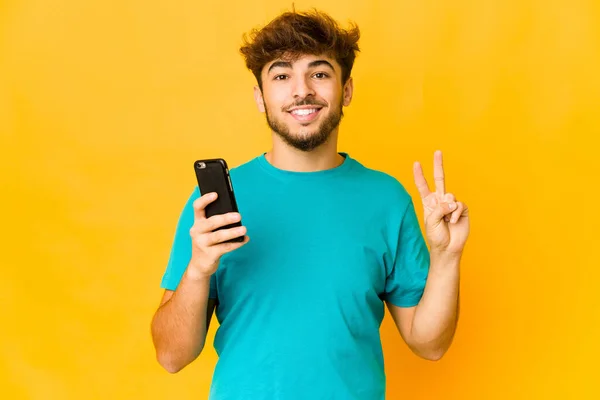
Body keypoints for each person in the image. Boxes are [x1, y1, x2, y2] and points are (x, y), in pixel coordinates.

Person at [150, 8, 470, 400]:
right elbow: (171, 356)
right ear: (260, 97)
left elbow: (429, 344)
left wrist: (447, 256)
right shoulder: (213, 203)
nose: (302, 91)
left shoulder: (387, 199)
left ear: (346, 89)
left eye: (319, 73)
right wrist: (199, 270)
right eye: (281, 76)